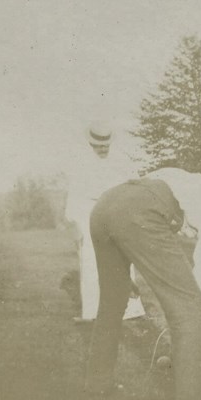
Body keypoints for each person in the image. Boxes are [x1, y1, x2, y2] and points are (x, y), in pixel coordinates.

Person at [84, 167, 201, 400]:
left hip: (103, 208)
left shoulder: (182, 177)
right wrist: (194, 321)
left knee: (112, 303)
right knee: (191, 305)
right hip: (139, 213)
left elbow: (130, 207)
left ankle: (97, 385)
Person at [64, 125, 145, 321]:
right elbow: (74, 196)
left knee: (124, 259)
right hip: (89, 214)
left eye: (105, 146)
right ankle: (93, 312)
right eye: (98, 146)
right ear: (91, 143)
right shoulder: (81, 164)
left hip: (117, 212)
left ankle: (131, 310)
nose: (102, 149)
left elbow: (133, 187)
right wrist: (74, 224)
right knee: (91, 261)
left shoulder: (121, 162)